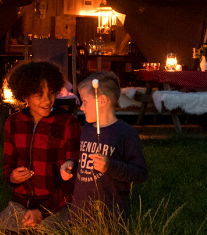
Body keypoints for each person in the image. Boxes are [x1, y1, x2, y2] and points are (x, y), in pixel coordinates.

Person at [0, 60, 81, 231]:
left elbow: (74, 178)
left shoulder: (68, 124)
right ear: (24, 96)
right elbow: (8, 165)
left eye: (51, 93)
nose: (47, 100)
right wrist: (12, 177)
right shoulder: (13, 123)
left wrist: (43, 211)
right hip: (20, 202)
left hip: (56, 204)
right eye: (39, 95)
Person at [61, 71, 147, 222]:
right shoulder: (87, 129)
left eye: (85, 101)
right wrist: (73, 165)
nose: (81, 107)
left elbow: (139, 173)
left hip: (109, 217)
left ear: (102, 101)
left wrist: (110, 166)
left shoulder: (125, 133)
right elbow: (86, 161)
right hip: (80, 213)